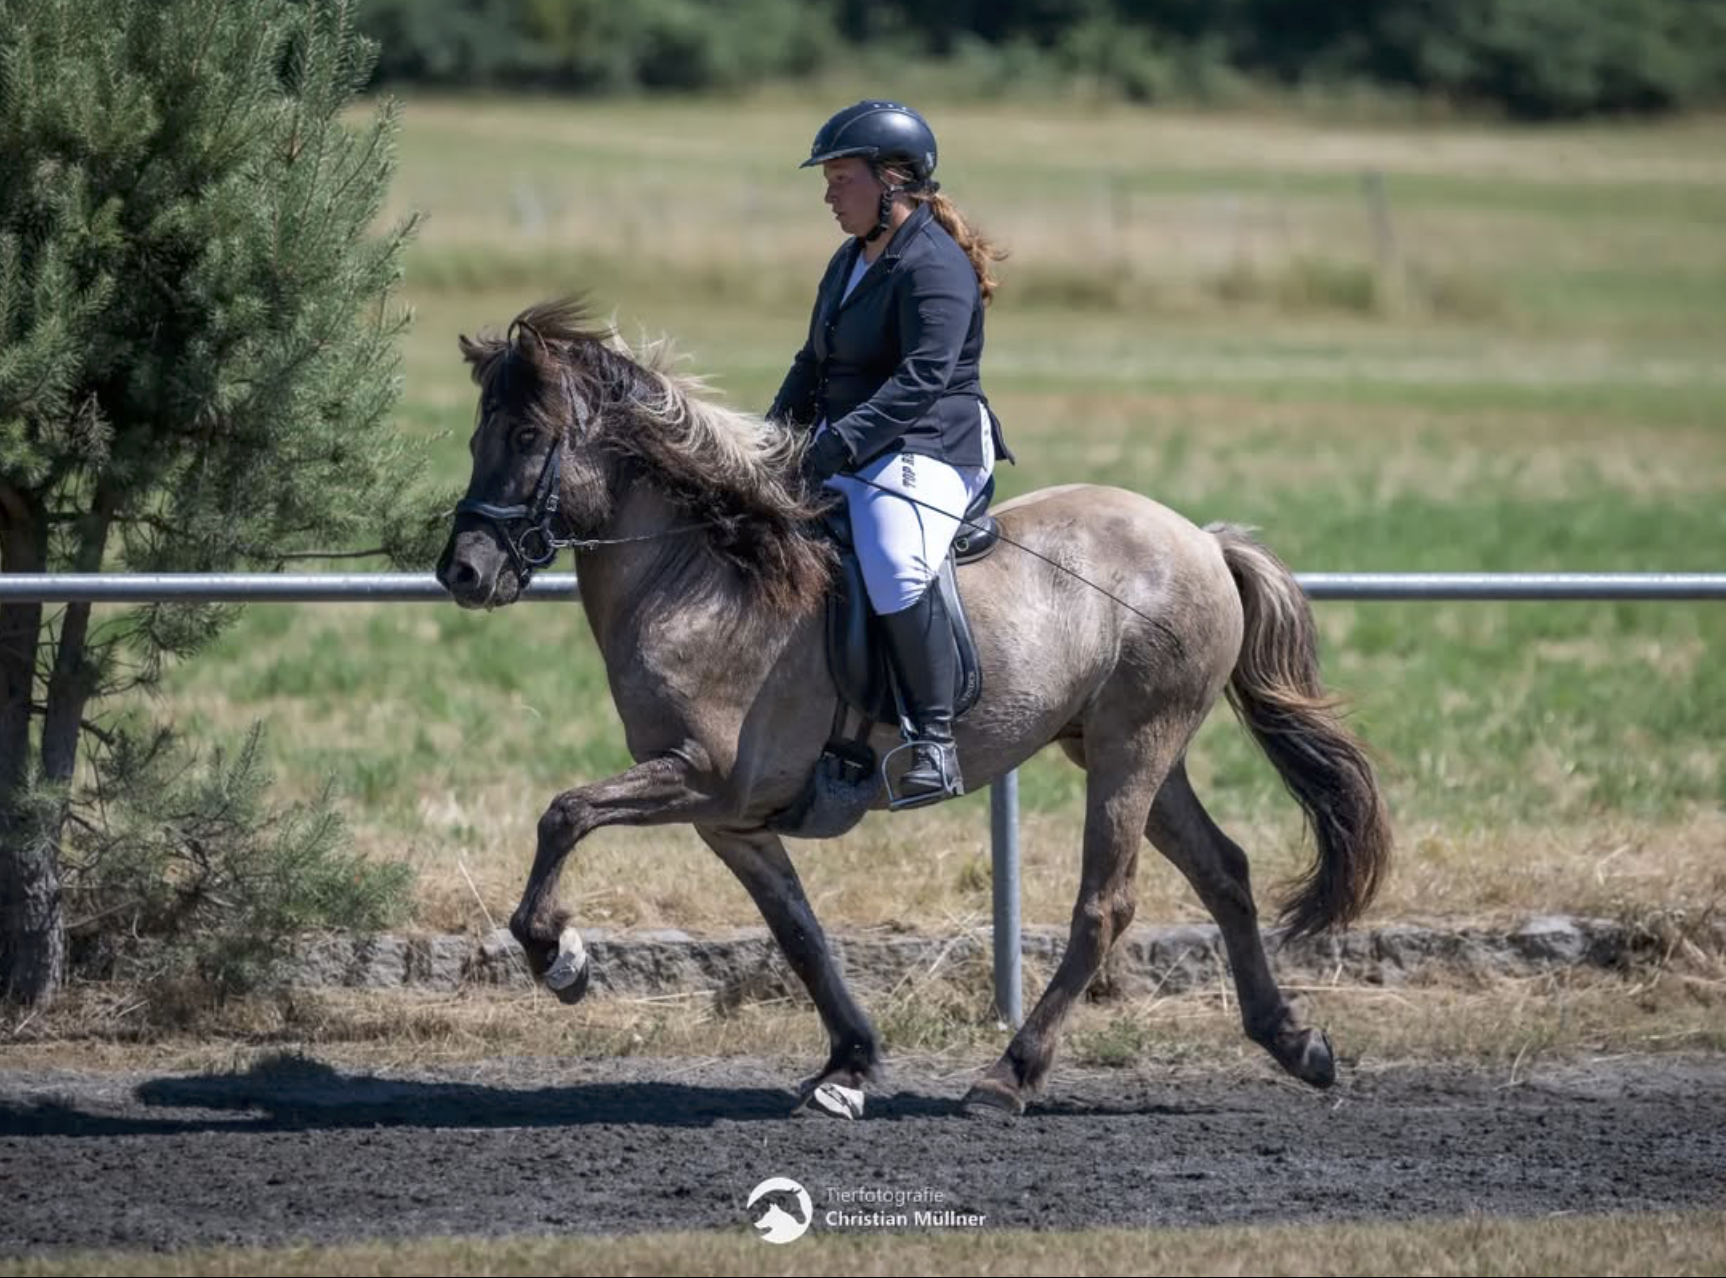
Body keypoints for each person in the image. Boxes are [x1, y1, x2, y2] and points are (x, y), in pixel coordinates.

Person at [768, 99, 1012, 809]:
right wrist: (771, 439)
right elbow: (811, 362)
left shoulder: (935, 264)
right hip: (851, 444)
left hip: (932, 444)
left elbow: (922, 380)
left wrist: (838, 445)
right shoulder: (849, 260)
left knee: (894, 553)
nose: (828, 194)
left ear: (894, 180)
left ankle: (932, 741)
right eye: (830, 178)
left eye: (842, 177)